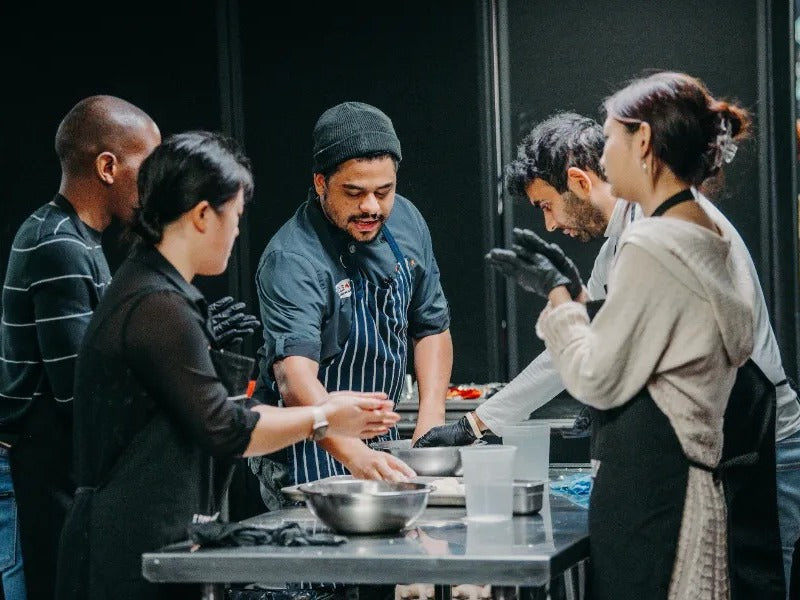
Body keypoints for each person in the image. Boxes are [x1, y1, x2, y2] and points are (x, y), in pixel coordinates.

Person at [415, 110, 800, 596]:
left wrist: (601, 383)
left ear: (579, 180)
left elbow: (615, 356)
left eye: (547, 206)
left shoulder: (665, 229)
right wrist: (475, 423)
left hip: (761, 445)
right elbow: (576, 349)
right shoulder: (621, 245)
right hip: (708, 446)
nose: (550, 225)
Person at [55, 131, 399, 600]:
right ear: (201, 216)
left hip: (158, 536)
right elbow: (225, 429)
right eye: (234, 217)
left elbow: (229, 410)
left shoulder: (159, 290)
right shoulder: (156, 304)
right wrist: (323, 418)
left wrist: (329, 409)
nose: (237, 233)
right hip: (128, 549)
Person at [500, 72, 759, 598]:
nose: (603, 152)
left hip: (653, 497)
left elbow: (595, 378)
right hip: (694, 484)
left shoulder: (650, 243)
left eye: (610, 136)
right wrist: (578, 295)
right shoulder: (703, 232)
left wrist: (556, 299)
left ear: (643, 142)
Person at [0, 95, 161, 600]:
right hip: (23, 473)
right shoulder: (60, 245)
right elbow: (80, 392)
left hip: (43, 464)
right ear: (108, 167)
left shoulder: (76, 238)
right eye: (148, 167)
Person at [251, 101, 452, 490]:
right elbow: (294, 378)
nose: (371, 207)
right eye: (354, 192)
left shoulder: (408, 221)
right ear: (320, 183)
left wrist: (431, 417)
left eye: (384, 191)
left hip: (379, 438)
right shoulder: (292, 259)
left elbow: (432, 327)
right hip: (304, 444)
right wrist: (354, 453)